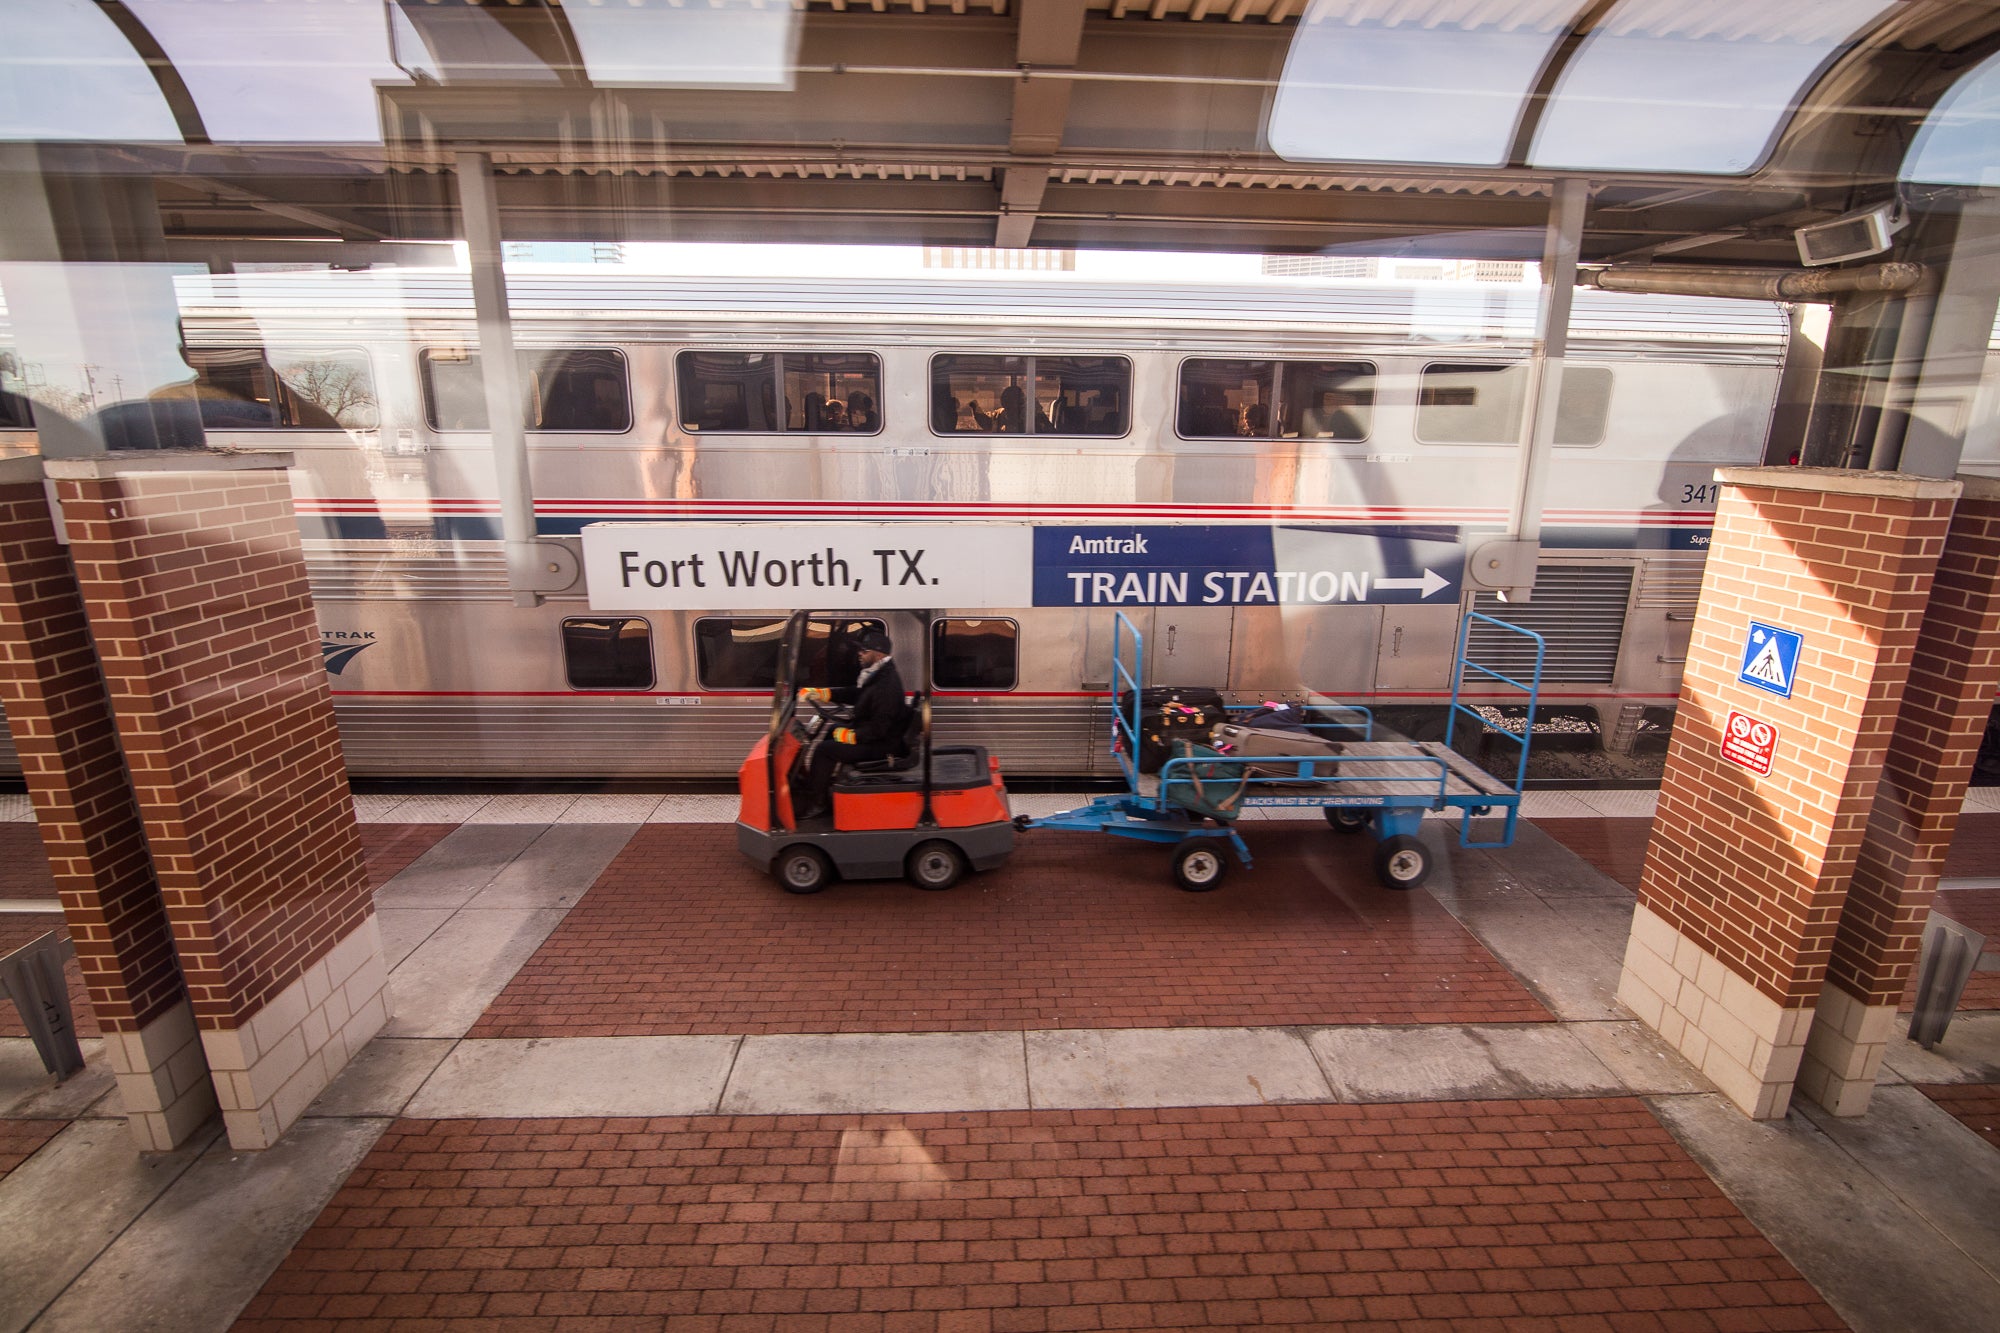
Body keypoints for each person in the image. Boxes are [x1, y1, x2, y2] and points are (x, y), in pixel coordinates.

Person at [795, 629, 910, 820]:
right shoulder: (878, 675)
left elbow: (879, 729)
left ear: (879, 654)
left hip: (881, 746)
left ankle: (816, 802)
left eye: (865, 651)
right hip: (876, 738)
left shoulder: (886, 687)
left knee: (825, 750)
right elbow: (858, 695)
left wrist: (851, 736)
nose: (860, 653)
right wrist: (824, 694)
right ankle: (819, 786)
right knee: (832, 730)